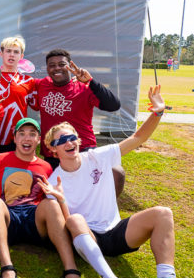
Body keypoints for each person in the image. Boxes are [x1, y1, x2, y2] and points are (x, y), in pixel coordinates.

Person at [45, 86, 194, 278]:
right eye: (62, 141)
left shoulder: (97, 156)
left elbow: (138, 138)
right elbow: (66, 225)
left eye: (72, 137)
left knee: (163, 213)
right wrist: (59, 199)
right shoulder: (53, 180)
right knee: (76, 219)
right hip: (88, 239)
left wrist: (157, 112)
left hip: (117, 232)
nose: (70, 143)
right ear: (52, 149)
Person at [0, 118, 89, 278]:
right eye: (22, 134)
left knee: (52, 203)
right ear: (14, 139)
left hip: (34, 219)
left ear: (38, 140)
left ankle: (71, 270)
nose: (27, 138)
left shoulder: (46, 167)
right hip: (8, 217)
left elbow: (50, 199)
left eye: (32, 134)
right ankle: (7, 268)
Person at [29, 49, 124, 195]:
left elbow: (113, 105)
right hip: (53, 152)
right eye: (52, 65)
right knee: (56, 192)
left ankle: (108, 213)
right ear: (47, 69)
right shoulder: (42, 85)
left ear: (70, 66)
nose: (57, 68)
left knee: (116, 172)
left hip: (82, 148)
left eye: (62, 64)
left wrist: (91, 82)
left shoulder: (84, 87)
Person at [0, 36, 35, 153]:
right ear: (1, 54)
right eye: (8, 51)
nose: (12, 55)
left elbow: (35, 105)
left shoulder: (28, 81)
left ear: (21, 56)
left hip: (17, 136)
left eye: (16, 52)